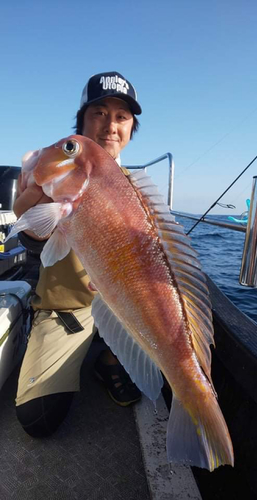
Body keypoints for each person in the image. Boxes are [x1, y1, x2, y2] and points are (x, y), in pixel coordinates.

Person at [13, 71, 142, 437]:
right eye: (99, 113)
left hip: (123, 307)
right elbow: (38, 243)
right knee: (37, 418)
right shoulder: (57, 173)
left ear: (131, 128)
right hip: (68, 307)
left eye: (122, 116)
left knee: (163, 367)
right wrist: (34, 232)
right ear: (82, 121)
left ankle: (109, 357)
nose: (110, 125)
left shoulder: (141, 193)